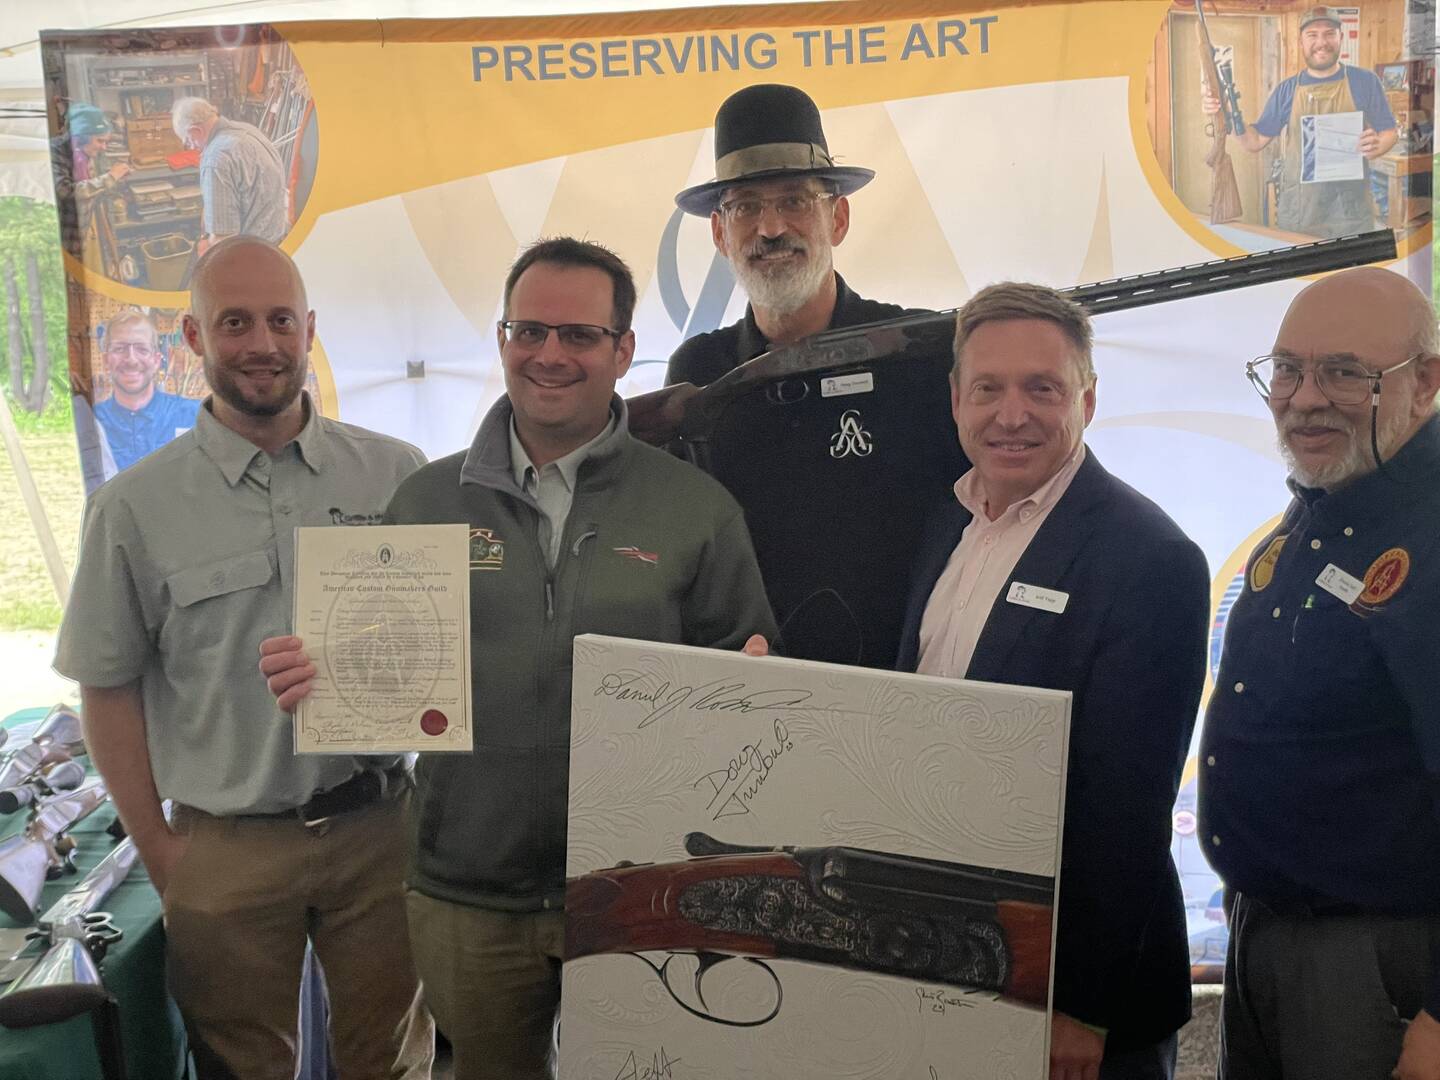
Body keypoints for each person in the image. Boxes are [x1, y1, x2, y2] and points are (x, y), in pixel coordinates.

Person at [260, 237, 777, 1080]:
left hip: (640, 890)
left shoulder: (695, 509)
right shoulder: (425, 501)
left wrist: (755, 690)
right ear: (502, 339)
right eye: (528, 330)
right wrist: (323, 681)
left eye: (579, 335)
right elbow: (382, 696)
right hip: (468, 893)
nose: (549, 354)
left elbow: (746, 696)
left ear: (623, 350)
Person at [54, 237, 432, 1080]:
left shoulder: (398, 476)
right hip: (225, 848)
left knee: (393, 1065)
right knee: (240, 1068)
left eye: (280, 320)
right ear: (193, 337)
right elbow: (105, 689)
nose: (262, 343)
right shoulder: (132, 508)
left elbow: (448, 641)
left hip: (379, 833)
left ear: (309, 330)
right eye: (235, 323)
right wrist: (160, 850)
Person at [896, 282, 1209, 1080]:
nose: (1012, 415)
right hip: (956, 956)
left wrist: (1080, 1002)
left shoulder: (1151, 559)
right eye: (988, 389)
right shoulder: (945, 524)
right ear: (956, 400)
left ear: (1087, 401)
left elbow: (1128, 809)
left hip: (1079, 998)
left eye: (1042, 388)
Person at [1198, 265, 1440, 1080]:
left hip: (1376, 959)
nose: (1305, 399)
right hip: (1267, 934)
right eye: (1288, 370)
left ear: (1426, 382)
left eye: (1343, 373)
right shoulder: (1333, 494)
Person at [660, 82, 966, 668]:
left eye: (795, 200)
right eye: (746, 207)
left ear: (838, 218)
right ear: (720, 233)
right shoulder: (698, 371)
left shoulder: (923, 354)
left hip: (907, 682)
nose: (771, 227)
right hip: (745, 682)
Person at [1202, 5, 1397, 237]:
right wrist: (1225, 113)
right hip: (1300, 215)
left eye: (1329, 34)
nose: (1321, 42)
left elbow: (1389, 132)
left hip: (1351, 216)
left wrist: (1377, 145)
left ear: (1341, 38)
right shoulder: (1286, 90)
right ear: (1301, 42)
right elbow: (1253, 142)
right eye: (1312, 35)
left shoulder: (1365, 81)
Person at [171, 97, 288, 253]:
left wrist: (206, 250)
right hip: (277, 242)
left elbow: (223, 241)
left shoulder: (216, 158)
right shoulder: (249, 130)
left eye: (188, 141)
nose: (191, 147)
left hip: (251, 254)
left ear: (196, 131)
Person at [92, 309, 201, 472]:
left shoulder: (194, 416)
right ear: (106, 360)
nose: (131, 359)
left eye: (142, 349)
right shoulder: (92, 422)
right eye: (120, 349)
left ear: (156, 361)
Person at [50, 102, 130, 257]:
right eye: (100, 141)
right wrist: (109, 177)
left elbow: (91, 191)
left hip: (78, 236)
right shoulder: (53, 151)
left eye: (106, 142)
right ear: (80, 137)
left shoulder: (85, 151)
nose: (104, 147)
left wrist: (116, 182)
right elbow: (65, 191)